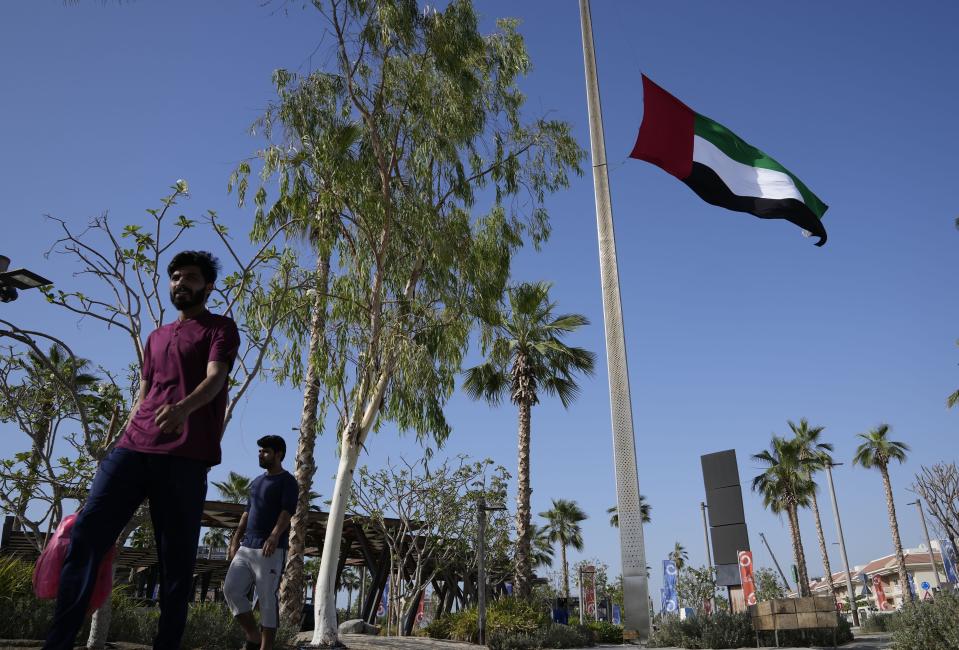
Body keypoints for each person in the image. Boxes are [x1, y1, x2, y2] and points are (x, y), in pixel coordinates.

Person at [44, 251, 241, 650]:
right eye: (174, 277)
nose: (180, 282)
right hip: (133, 448)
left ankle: (165, 644)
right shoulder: (155, 337)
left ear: (208, 286)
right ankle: (58, 642)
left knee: (175, 558)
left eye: (189, 277)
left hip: (184, 456)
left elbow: (217, 377)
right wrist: (121, 441)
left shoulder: (220, 328)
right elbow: (144, 394)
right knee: (85, 535)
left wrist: (184, 409)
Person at [224, 435, 298, 650]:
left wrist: (274, 536)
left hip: (270, 549)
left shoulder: (288, 481)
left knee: (267, 599)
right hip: (247, 546)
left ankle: (266, 647)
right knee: (231, 590)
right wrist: (235, 539)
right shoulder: (256, 482)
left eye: (265, 451)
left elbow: (287, 512)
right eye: (260, 450)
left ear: (278, 454)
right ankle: (253, 636)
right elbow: (247, 512)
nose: (261, 454)